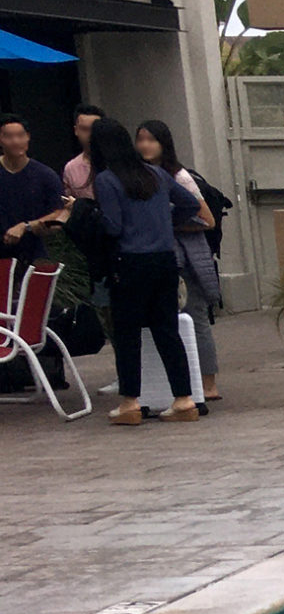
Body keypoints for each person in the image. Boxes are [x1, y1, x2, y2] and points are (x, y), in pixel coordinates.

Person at [87, 116, 201, 425]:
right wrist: (165, 224)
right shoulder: (155, 174)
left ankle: (130, 402)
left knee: (127, 335)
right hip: (164, 260)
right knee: (167, 331)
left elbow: (112, 226)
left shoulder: (107, 180)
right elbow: (190, 204)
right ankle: (184, 399)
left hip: (130, 262)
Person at [136, 119, 223, 403]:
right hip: (163, 258)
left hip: (188, 259)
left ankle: (209, 382)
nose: (146, 145)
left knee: (196, 318)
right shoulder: (139, 176)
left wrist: (168, 225)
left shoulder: (178, 176)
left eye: (152, 140)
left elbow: (207, 220)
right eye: (141, 139)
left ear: (164, 144)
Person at [0, 114, 67, 299]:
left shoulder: (44, 175)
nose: (16, 141)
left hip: (33, 254)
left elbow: (59, 216)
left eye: (20, 135)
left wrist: (27, 226)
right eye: (9, 136)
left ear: (28, 137)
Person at [58, 103, 102, 201]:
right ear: (76, 130)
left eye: (94, 129)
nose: (90, 135)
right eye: (84, 129)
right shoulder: (71, 168)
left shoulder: (117, 163)